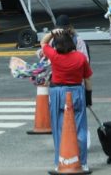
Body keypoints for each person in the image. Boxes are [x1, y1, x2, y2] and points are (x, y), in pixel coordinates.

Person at [40, 29, 93, 172]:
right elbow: (87, 79)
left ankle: (60, 162)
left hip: (57, 93)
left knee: (59, 129)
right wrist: (88, 97)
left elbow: (43, 42)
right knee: (80, 128)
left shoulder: (54, 55)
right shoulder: (81, 57)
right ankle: (82, 162)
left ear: (57, 45)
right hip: (76, 92)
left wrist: (52, 32)